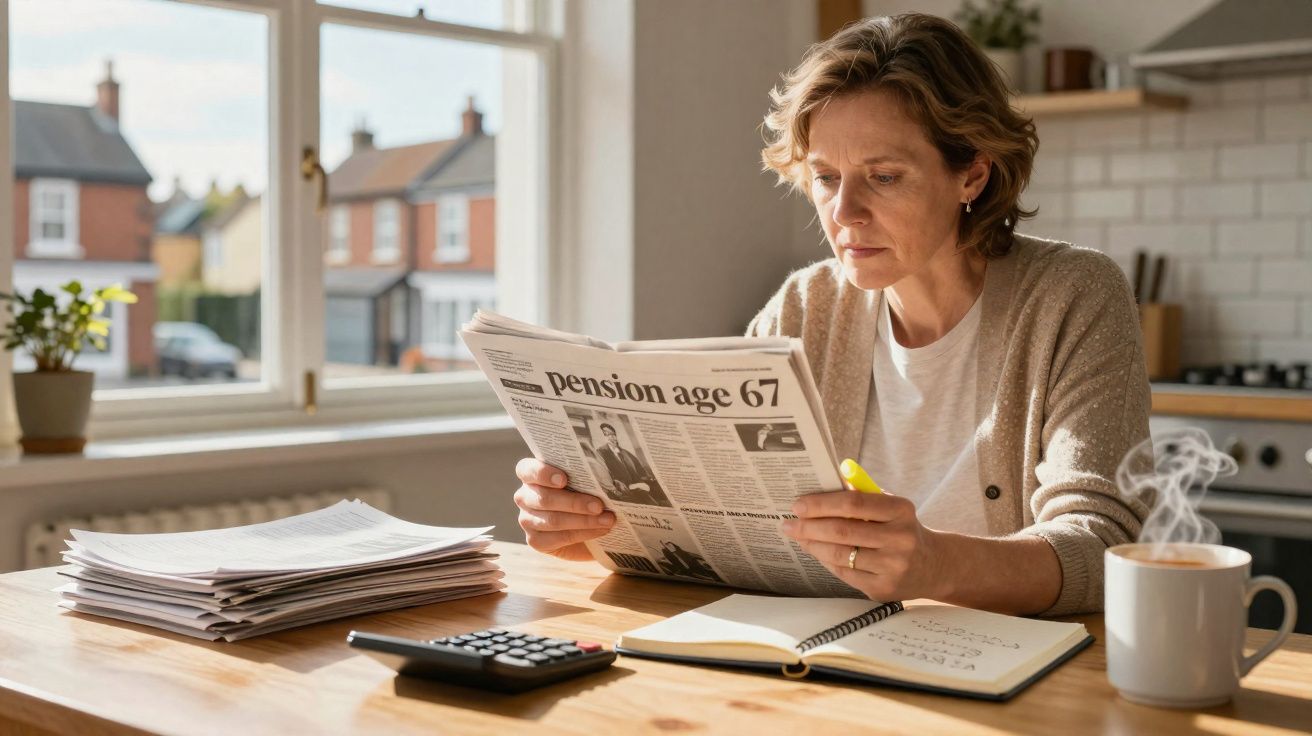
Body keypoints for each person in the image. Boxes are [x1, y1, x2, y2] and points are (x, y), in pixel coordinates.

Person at [513, 12, 1151, 616]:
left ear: (973, 176)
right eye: (825, 177)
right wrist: (588, 527)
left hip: (1017, 679)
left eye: (884, 177)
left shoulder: (1074, 295)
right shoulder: (804, 305)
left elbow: (1104, 546)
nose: (844, 212)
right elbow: (732, 529)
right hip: (831, 659)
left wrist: (934, 563)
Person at [594, 423, 661, 505]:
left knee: (656, 498)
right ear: (602, 437)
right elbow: (604, 475)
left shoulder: (625, 452)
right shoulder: (600, 453)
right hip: (622, 492)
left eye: (613, 434)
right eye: (606, 434)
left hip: (639, 487)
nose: (611, 437)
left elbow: (640, 470)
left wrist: (649, 479)